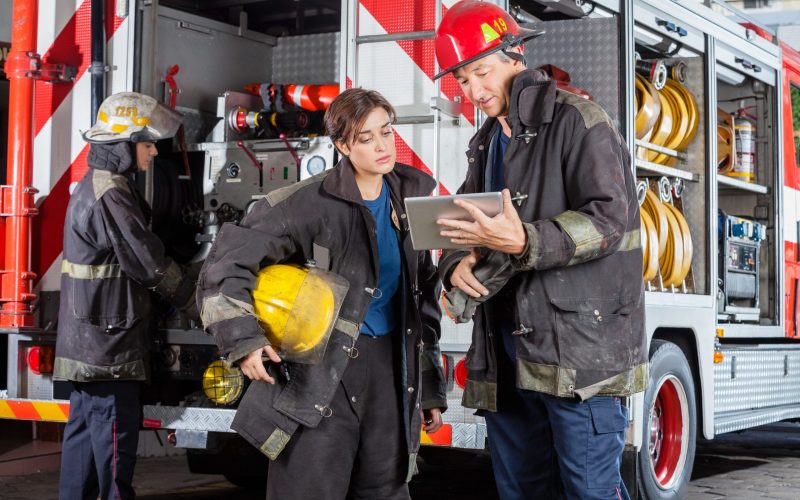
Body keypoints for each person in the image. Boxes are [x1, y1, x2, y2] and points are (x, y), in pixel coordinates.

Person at [433, 2, 647, 499]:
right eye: (462, 81)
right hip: (508, 353)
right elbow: (472, 226)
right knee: (522, 490)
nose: (474, 91)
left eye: (481, 72)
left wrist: (528, 240)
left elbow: (611, 221)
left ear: (515, 55)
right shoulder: (486, 140)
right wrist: (453, 269)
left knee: (589, 490)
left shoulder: (579, 122)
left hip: (578, 353)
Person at [197, 88, 447, 499]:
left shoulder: (410, 198)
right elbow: (223, 270)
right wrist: (244, 341)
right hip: (318, 377)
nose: (382, 146)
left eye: (386, 131)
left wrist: (429, 386)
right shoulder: (304, 205)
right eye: (366, 138)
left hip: (389, 372)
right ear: (342, 145)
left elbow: (421, 303)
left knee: (386, 490)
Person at [54, 92, 197, 500]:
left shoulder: (95, 185)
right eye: (147, 142)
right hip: (109, 345)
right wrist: (194, 300)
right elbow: (146, 261)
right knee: (115, 448)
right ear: (123, 144)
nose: (153, 151)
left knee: (84, 440)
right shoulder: (110, 192)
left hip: (91, 341)